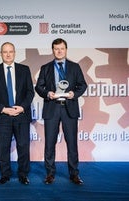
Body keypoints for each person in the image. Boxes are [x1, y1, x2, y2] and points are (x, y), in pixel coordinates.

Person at [35, 38, 87, 185]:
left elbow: (82, 85)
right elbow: (39, 87)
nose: (59, 51)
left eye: (62, 48)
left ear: (66, 49)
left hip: (69, 108)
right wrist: (47, 93)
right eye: (56, 49)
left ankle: (74, 174)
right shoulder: (45, 68)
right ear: (52, 50)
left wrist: (74, 94)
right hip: (52, 107)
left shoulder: (75, 67)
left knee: (72, 143)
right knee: (49, 143)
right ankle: (50, 173)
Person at [0, 42, 34, 185]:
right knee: (3, 147)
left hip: (21, 115)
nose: (8, 54)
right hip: (2, 116)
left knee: (23, 146)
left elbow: (30, 92)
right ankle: (5, 175)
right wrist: (2, 108)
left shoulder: (24, 69)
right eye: (5, 52)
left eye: (10, 51)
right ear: (1, 53)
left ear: (14, 53)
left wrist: (22, 107)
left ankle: (23, 175)